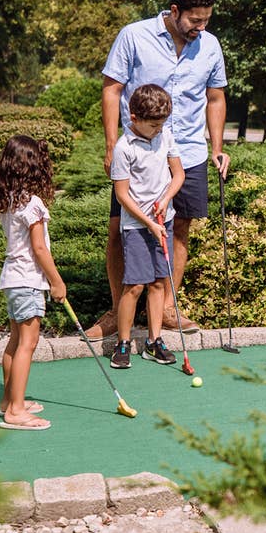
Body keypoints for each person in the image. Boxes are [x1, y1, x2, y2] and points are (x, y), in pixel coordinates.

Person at [85, 0, 230, 341]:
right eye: (195, 20)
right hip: (139, 153)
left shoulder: (210, 46)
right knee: (120, 230)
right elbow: (111, 88)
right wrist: (108, 144)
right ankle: (119, 308)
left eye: (206, 20)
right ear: (175, 11)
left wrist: (217, 147)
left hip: (189, 151)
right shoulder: (134, 36)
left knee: (179, 227)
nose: (201, 28)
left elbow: (215, 98)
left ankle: (165, 308)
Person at [0, 135, 66, 430]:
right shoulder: (32, 203)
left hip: (12, 279)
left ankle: (8, 402)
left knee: (15, 342)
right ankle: (17, 412)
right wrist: (57, 282)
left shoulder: (8, 199)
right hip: (28, 280)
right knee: (28, 344)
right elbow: (39, 249)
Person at [109, 84, 186, 369]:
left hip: (162, 220)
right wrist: (148, 223)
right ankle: (123, 342)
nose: (157, 129)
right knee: (134, 285)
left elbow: (177, 174)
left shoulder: (165, 135)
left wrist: (166, 200)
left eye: (161, 124)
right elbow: (122, 195)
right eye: (153, 125)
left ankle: (154, 342)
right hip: (137, 226)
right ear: (134, 118)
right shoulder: (123, 148)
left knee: (157, 283)